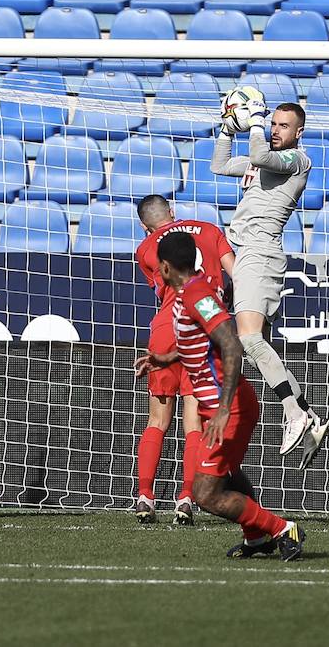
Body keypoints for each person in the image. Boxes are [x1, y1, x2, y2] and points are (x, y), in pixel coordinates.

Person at [145, 232, 304, 561]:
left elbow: (231, 342)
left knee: (204, 493)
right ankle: (257, 538)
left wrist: (221, 409)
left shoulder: (195, 294)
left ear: (163, 267)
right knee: (227, 472)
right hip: (221, 404)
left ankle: (281, 528)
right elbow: (203, 341)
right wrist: (167, 358)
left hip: (228, 405)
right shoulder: (187, 293)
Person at [210, 98, 329, 467]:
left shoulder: (297, 160)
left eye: (283, 125)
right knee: (254, 341)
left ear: (299, 133)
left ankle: (294, 413)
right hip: (249, 254)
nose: (276, 130)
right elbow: (218, 165)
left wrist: (256, 122)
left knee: (248, 339)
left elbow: (262, 157)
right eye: (273, 123)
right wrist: (230, 130)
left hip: (260, 253)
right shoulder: (263, 160)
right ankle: (308, 417)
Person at [131, 194, 235, 525]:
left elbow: (164, 289)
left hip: (167, 325)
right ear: (172, 212)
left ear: (144, 225)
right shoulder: (210, 229)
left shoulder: (146, 248)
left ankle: (145, 497)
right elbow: (237, 270)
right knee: (194, 422)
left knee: (157, 420)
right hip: (202, 325)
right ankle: (186, 499)